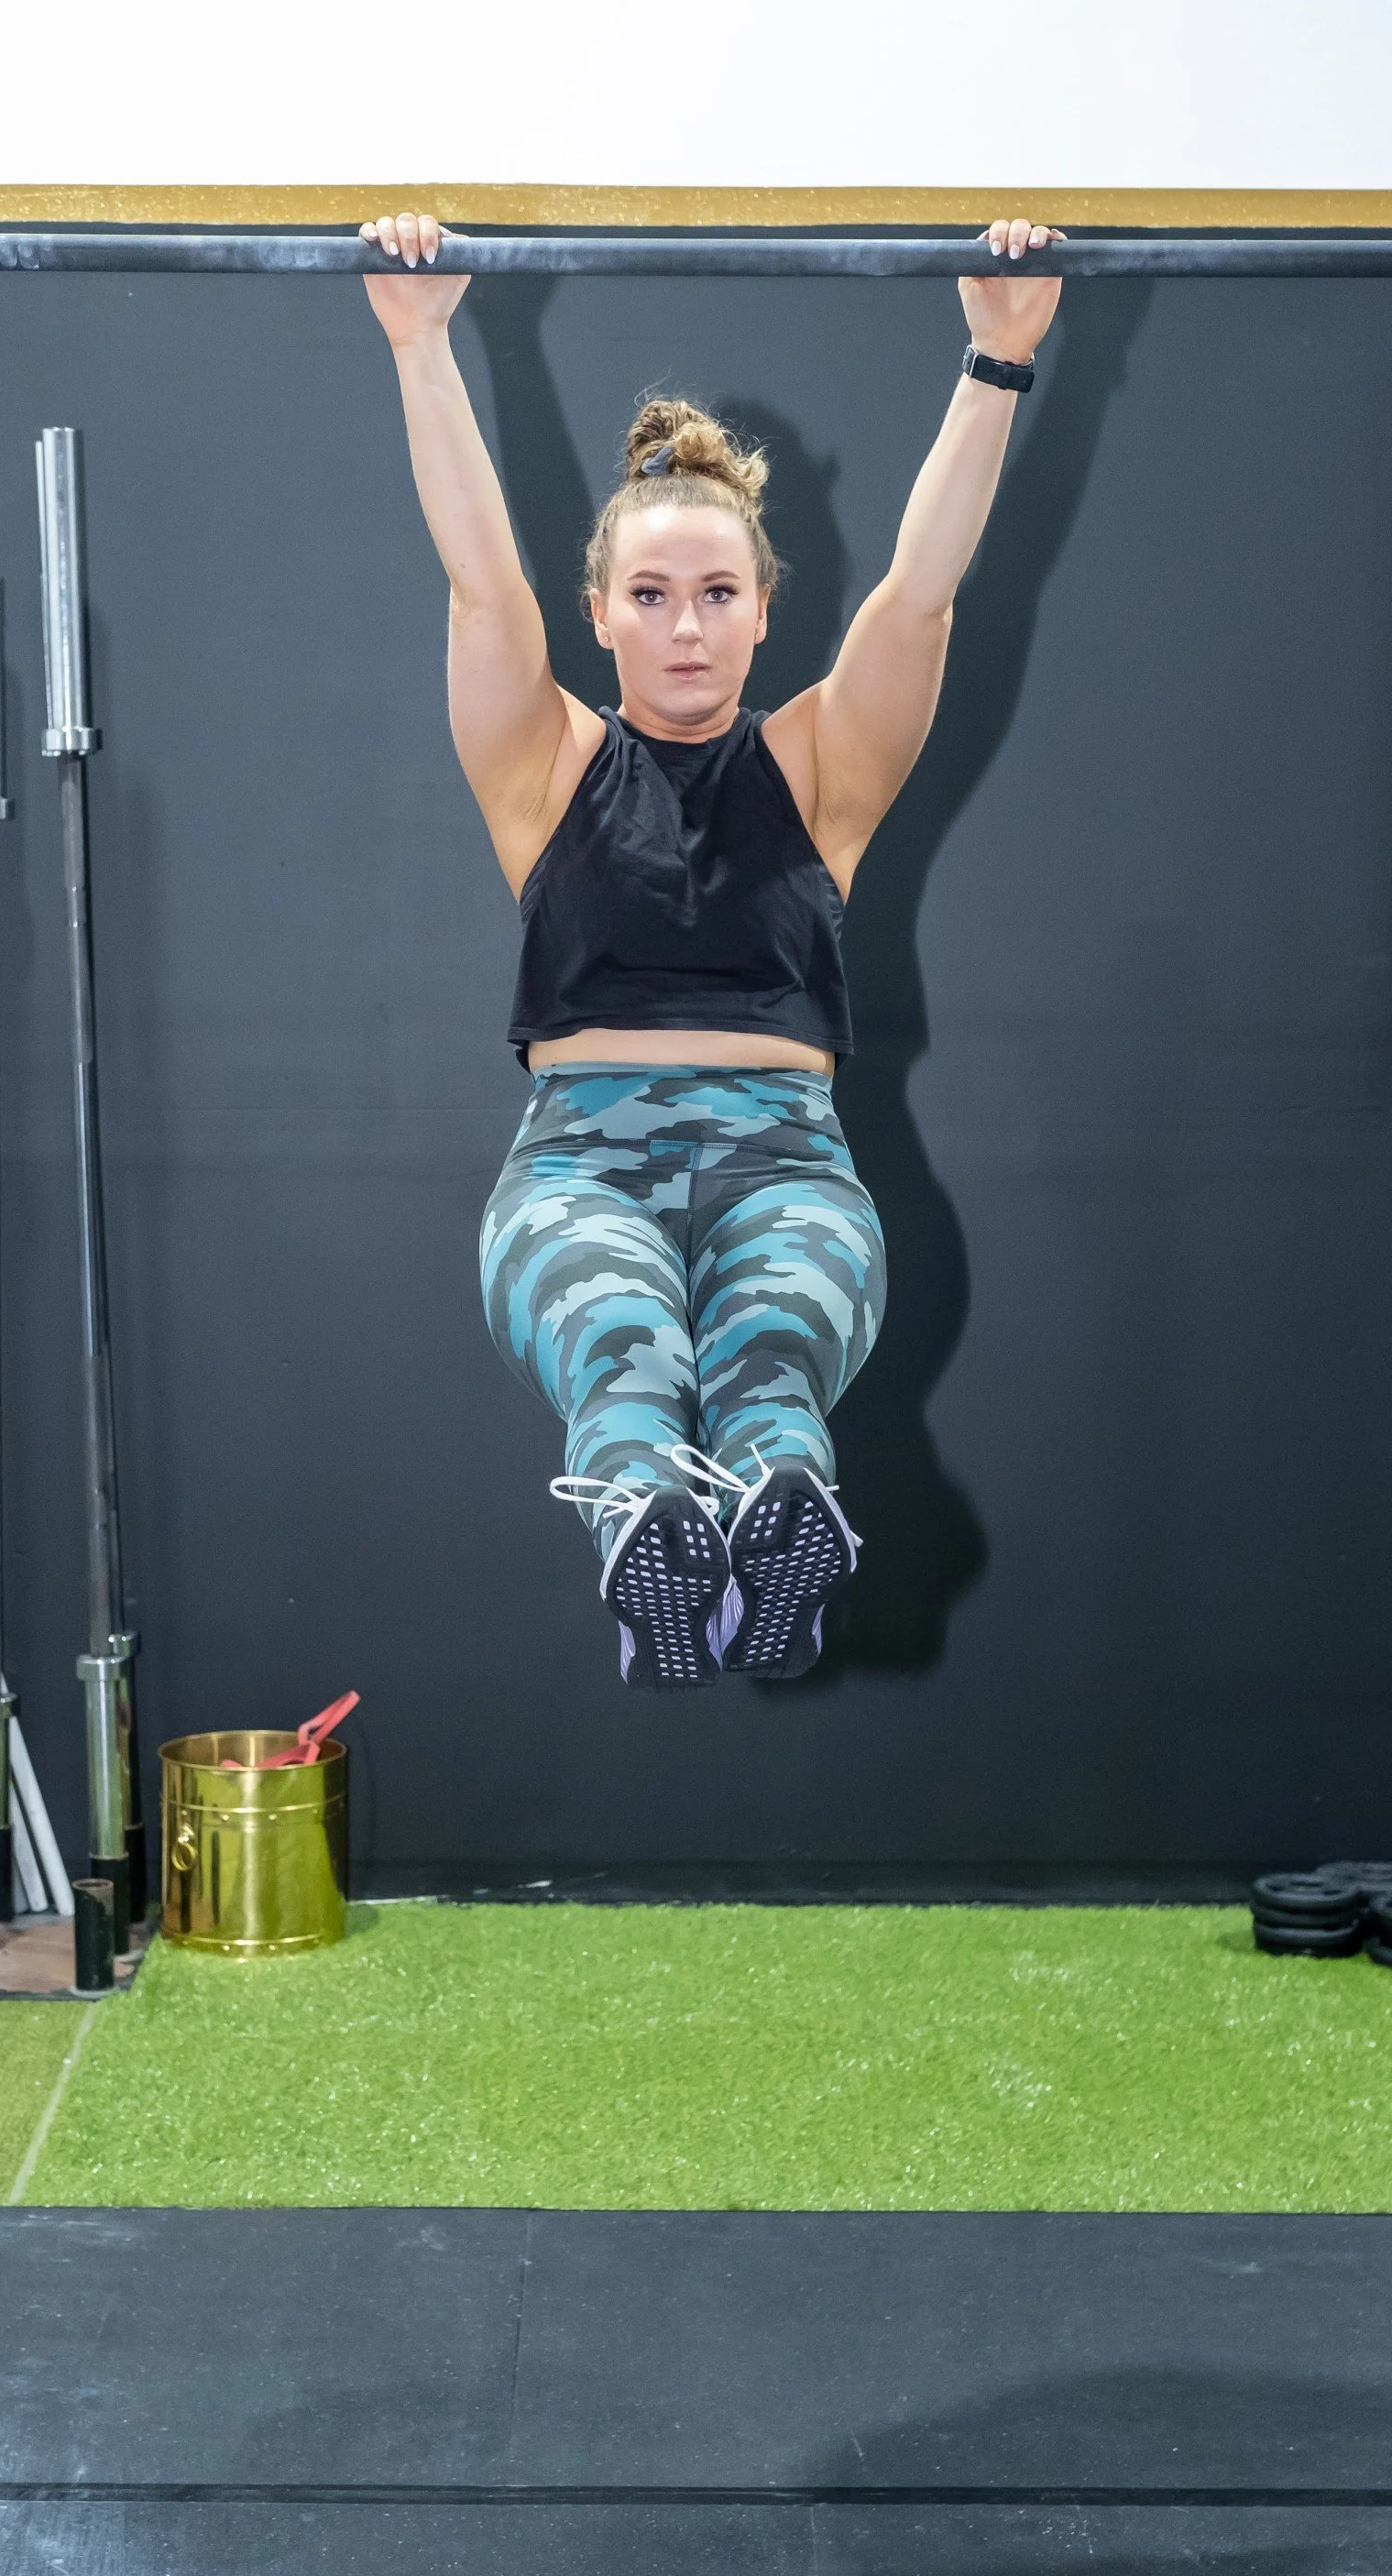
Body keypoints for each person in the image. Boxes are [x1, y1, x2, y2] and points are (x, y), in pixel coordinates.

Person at [361, 208, 1064, 1690]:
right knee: (617, 1332)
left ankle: (771, 1520)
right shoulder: (542, 766)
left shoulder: (820, 769)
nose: (687, 629)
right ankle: (654, 1529)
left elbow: (921, 594)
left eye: (719, 597)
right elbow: (481, 583)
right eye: (654, 598)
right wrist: (422, 343)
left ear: (762, 621)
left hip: (786, 1160)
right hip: (578, 1164)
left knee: (775, 1346)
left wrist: (996, 362)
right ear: (604, 618)